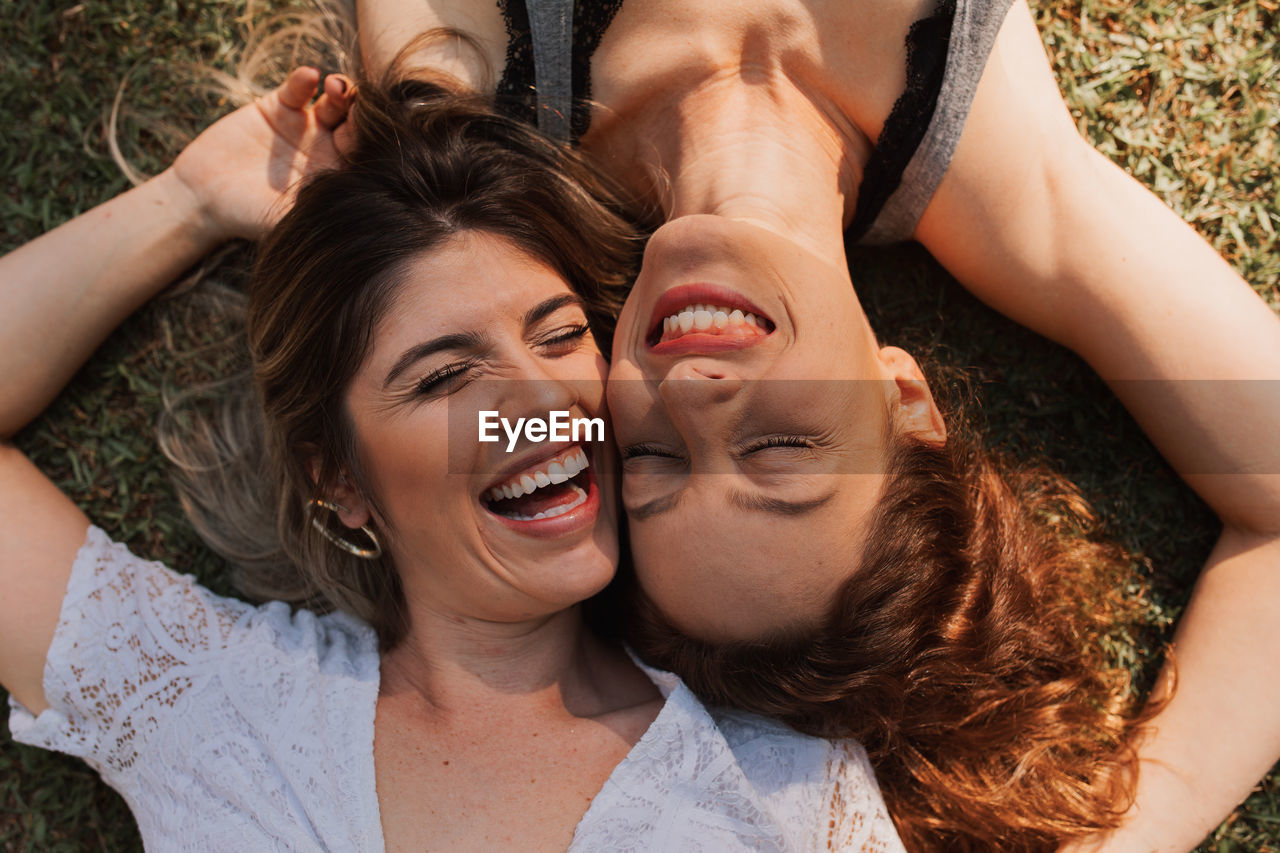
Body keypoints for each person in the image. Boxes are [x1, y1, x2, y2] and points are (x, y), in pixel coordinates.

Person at [353, 0, 1280, 849]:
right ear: (904, 406)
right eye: (780, 450)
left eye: (652, 458)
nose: (690, 395)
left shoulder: (471, 111)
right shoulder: (1016, 192)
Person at [0, 71, 906, 850]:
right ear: (340, 478)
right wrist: (189, 202)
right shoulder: (214, 706)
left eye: (557, 338)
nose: (546, 402)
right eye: (444, 379)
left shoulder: (787, 787)